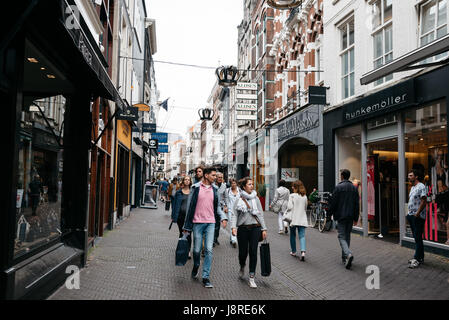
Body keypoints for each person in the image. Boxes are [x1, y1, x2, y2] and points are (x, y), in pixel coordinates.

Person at [182, 167, 228, 288]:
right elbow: (189, 207)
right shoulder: (195, 188)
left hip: (210, 223)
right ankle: (196, 265)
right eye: (213, 175)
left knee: (208, 250)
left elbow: (217, 207)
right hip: (197, 222)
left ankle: (206, 277)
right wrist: (186, 226)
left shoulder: (215, 189)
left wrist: (223, 217)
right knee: (196, 250)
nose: (215, 178)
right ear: (206, 176)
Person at [231, 177, 267, 288]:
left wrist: (264, 229)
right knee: (243, 253)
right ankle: (242, 265)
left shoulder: (256, 199)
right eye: (249, 184)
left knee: (253, 252)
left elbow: (260, 214)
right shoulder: (239, 199)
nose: (252, 186)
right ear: (244, 186)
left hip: (255, 228)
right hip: (242, 229)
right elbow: (234, 214)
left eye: (252, 184)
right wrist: (233, 227)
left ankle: (252, 277)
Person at [329, 169, 359, 270]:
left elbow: (334, 203)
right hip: (350, 216)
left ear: (342, 176)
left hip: (341, 215)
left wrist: (330, 214)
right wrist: (356, 217)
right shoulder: (354, 188)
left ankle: (348, 254)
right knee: (347, 236)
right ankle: (345, 257)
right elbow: (356, 204)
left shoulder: (338, 187)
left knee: (341, 236)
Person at [406, 170, 427, 268]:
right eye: (408, 176)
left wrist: (417, 213)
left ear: (416, 176)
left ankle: (416, 259)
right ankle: (420, 257)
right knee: (416, 237)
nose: (409, 177)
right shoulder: (413, 187)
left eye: (411, 175)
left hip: (418, 216)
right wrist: (408, 215)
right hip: (412, 215)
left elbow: (424, 200)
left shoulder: (421, 186)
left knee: (418, 237)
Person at [172, 176, 193, 259]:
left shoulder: (192, 192)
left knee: (188, 234)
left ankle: (188, 251)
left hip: (189, 217)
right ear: (183, 181)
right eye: (186, 180)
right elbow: (175, 205)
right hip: (180, 216)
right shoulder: (179, 192)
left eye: (188, 180)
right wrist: (173, 216)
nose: (187, 181)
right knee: (182, 233)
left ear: (190, 182)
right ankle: (181, 250)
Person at [287, 180, 309, 261]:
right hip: (302, 218)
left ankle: (293, 251)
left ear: (295, 187)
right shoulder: (304, 196)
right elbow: (305, 208)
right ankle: (303, 252)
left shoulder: (292, 196)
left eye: (293, 186)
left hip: (293, 218)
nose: (292, 187)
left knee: (292, 235)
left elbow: (289, 207)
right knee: (302, 236)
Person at [223, 178, 240, 248]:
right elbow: (225, 199)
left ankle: (231, 237)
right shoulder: (227, 191)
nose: (233, 184)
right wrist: (226, 206)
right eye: (232, 183)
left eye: (235, 183)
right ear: (230, 184)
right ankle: (234, 240)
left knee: (237, 225)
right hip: (231, 210)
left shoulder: (240, 191)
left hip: (239, 210)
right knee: (232, 225)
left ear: (236, 184)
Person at [213, 172, 227, 246]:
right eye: (219, 177)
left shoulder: (224, 186)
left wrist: (226, 206)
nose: (220, 179)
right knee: (213, 224)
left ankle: (215, 238)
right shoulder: (212, 185)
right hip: (212, 207)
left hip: (220, 207)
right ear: (216, 178)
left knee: (217, 224)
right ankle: (212, 239)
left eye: (221, 177)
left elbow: (225, 197)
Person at [435, 178, 449, 245]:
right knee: (447, 223)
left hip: (447, 211)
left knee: (448, 224)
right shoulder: (441, 194)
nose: (440, 189)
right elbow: (439, 201)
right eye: (439, 187)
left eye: (441, 186)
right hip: (446, 211)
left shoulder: (446, 193)